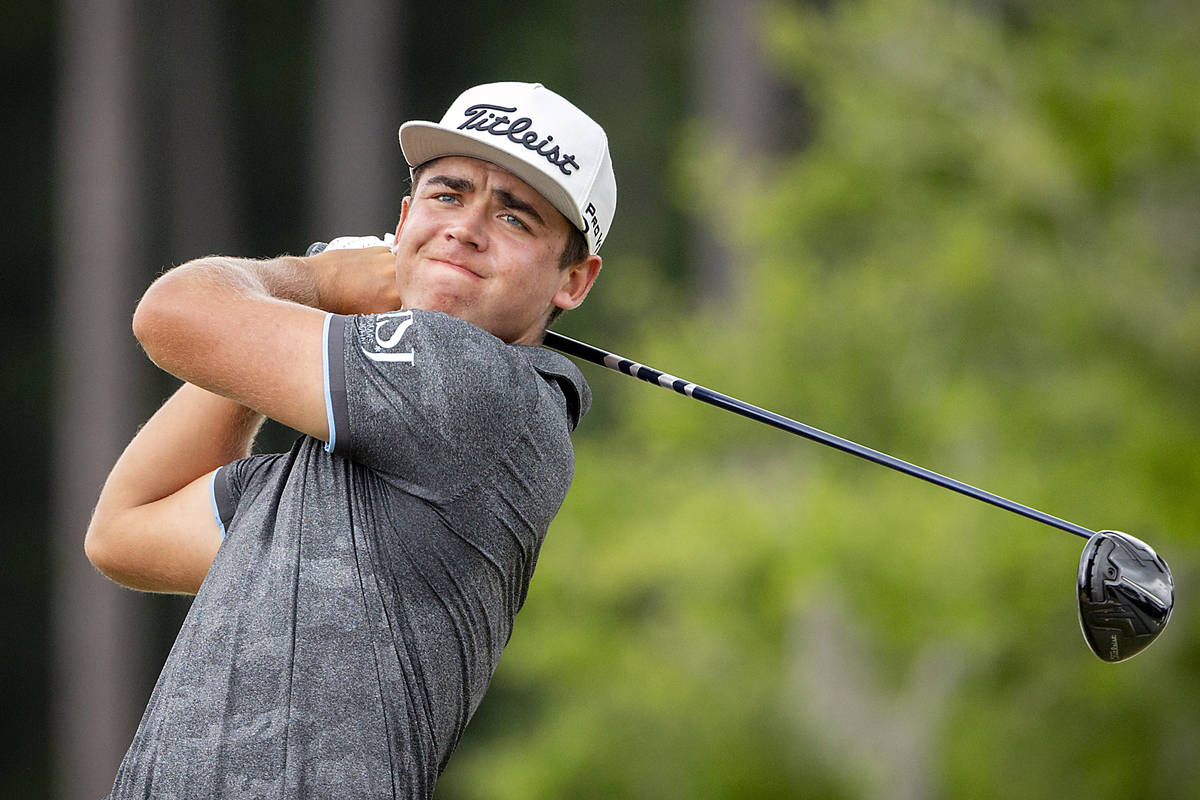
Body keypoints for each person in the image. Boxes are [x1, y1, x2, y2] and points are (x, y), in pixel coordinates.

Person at [85, 81, 616, 798]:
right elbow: (124, 533)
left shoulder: (476, 386)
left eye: (515, 218)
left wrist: (316, 279)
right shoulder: (334, 469)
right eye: (449, 195)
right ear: (403, 221)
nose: (466, 227)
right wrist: (300, 315)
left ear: (574, 282)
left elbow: (172, 312)